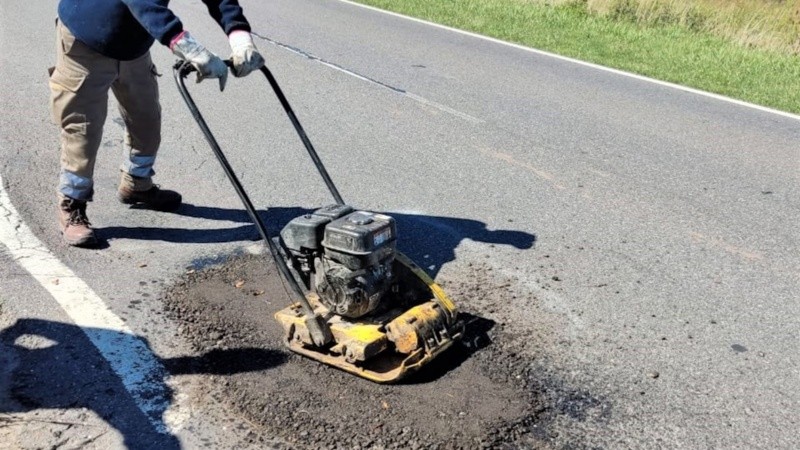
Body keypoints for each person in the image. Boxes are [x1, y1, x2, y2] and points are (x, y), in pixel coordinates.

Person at [50, 0, 265, 247]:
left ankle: (137, 183)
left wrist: (239, 34)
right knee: (83, 127)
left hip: (133, 41)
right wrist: (187, 46)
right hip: (87, 35)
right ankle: (72, 203)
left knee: (146, 117)